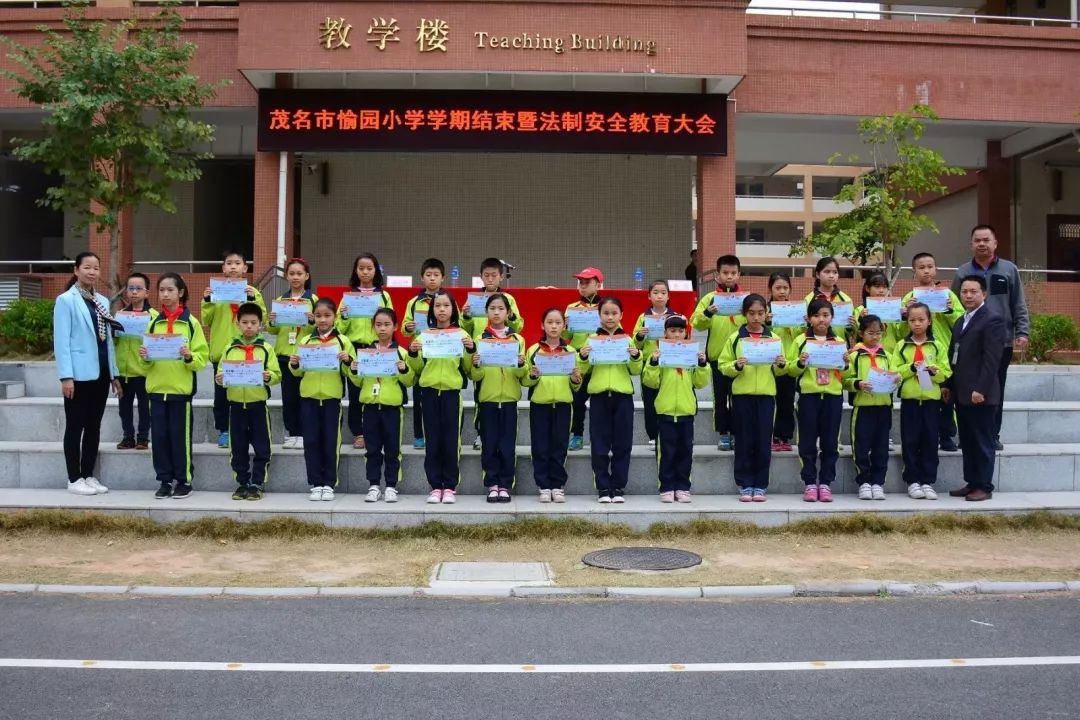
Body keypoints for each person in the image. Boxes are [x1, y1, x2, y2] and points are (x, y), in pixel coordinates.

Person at [951, 225, 1030, 451]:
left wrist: (1022, 331)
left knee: (995, 388)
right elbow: (955, 305)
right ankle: (967, 434)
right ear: (971, 244)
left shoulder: (1009, 269)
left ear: (995, 243)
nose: (982, 244)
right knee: (966, 388)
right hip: (967, 344)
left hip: (999, 342)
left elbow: (1018, 303)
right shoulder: (963, 272)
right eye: (977, 240)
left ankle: (992, 434)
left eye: (986, 240)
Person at [54, 251, 123, 496]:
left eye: (96, 267)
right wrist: (66, 376)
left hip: (101, 374)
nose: (92, 272)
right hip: (78, 376)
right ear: (76, 270)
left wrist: (114, 374)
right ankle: (74, 478)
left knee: (94, 426)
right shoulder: (66, 300)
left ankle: (88, 474)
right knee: (75, 426)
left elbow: (108, 343)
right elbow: (61, 341)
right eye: (87, 267)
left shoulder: (102, 301)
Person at [140, 273, 209, 499]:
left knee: (180, 438)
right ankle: (164, 480)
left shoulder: (191, 323)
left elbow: (202, 357)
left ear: (180, 293)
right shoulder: (153, 322)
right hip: (157, 390)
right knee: (159, 438)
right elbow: (145, 363)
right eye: (161, 290)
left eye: (170, 290)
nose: (165, 294)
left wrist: (189, 356)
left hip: (180, 392)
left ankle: (184, 480)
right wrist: (145, 356)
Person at [407, 290, 476, 504]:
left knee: (450, 440)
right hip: (428, 393)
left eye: (446, 305)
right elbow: (416, 369)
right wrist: (413, 353)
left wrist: (471, 350)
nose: (442, 310)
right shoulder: (424, 335)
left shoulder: (462, 335)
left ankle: (450, 486)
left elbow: (468, 368)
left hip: (451, 394)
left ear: (453, 309)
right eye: (438, 306)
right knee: (433, 439)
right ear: (432, 310)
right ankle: (435, 486)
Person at [718, 294, 787, 502]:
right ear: (744, 314)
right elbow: (723, 366)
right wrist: (736, 366)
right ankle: (745, 483)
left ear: (766, 314)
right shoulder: (735, 338)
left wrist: (782, 364)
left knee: (763, 441)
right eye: (751, 313)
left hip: (766, 396)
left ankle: (760, 484)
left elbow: (781, 370)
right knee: (744, 440)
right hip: (741, 396)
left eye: (760, 313)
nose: (756, 317)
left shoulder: (773, 338)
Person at [577, 297, 643, 503]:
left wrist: (635, 356)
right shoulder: (591, 340)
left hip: (622, 396)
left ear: (621, 315)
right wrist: (583, 356)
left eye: (614, 313)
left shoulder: (627, 339)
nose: (610, 317)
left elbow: (635, 370)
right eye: (606, 313)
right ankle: (603, 488)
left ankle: (618, 486)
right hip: (598, 397)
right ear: (599, 316)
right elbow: (584, 369)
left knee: (623, 443)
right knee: (599, 443)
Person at [290, 298, 358, 501]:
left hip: (331, 399)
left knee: (330, 441)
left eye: (327, 316)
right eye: (318, 316)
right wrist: (294, 364)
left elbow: (354, 373)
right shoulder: (305, 341)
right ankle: (315, 482)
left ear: (335, 318)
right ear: (313, 317)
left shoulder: (343, 341)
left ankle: (329, 483)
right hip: (309, 397)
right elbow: (297, 372)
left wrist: (348, 360)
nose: (323, 320)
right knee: (311, 441)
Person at [948, 275, 1007, 502]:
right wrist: (949, 386)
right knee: (969, 440)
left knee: (982, 442)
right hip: (962, 393)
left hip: (981, 394)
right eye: (964, 292)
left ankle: (984, 486)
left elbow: (992, 359)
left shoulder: (992, 319)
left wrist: (980, 388)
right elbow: (954, 357)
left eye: (973, 291)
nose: (968, 295)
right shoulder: (961, 320)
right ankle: (972, 482)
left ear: (984, 294)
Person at [215, 303, 280, 501]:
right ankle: (242, 482)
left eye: (253, 322)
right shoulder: (230, 348)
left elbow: (277, 374)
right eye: (245, 322)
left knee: (262, 446)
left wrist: (269, 376)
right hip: (235, 406)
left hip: (258, 405)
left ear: (260, 324)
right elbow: (220, 372)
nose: (249, 326)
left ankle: (257, 483)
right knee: (238, 447)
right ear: (237, 323)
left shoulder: (266, 348)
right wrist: (220, 378)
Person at [202, 249, 265, 449]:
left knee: (248, 393)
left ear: (245, 268)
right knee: (221, 395)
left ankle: (248, 430)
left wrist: (252, 300)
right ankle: (224, 430)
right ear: (223, 268)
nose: (233, 267)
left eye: (237, 263)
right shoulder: (215, 291)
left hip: (249, 350)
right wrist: (207, 301)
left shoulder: (253, 292)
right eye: (229, 263)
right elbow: (206, 320)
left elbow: (261, 317)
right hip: (222, 352)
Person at [643, 315, 709, 503]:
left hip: (686, 411)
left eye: (680, 331)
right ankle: (666, 486)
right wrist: (654, 363)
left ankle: (683, 486)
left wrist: (703, 364)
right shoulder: (658, 354)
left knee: (685, 452)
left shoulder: (691, 355)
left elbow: (700, 382)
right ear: (665, 333)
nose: (677, 335)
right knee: (666, 452)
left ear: (686, 333)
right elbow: (650, 381)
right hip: (665, 411)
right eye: (672, 331)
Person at [902, 252, 963, 451]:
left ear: (936, 269)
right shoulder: (909, 299)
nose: (926, 271)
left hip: (941, 352)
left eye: (930, 266)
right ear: (914, 272)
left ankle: (946, 434)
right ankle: (926, 435)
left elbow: (962, 322)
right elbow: (897, 331)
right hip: (917, 354)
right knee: (925, 393)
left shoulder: (947, 295)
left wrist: (950, 311)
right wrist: (903, 315)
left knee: (945, 393)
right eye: (921, 267)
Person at [788, 298, 847, 502]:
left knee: (831, 442)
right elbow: (790, 369)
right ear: (809, 318)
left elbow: (845, 374)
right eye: (816, 315)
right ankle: (810, 482)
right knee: (807, 441)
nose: (821, 320)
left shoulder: (838, 342)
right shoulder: (800, 341)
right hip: (809, 397)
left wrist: (846, 365)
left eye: (825, 315)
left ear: (832, 317)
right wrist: (800, 362)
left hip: (832, 396)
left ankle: (826, 482)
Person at [353, 307, 415, 503]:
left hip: (392, 408)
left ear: (395, 326)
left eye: (387, 324)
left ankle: (390, 485)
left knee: (392, 448)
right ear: (373, 327)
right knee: (372, 449)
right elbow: (357, 382)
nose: (382, 329)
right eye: (378, 324)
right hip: (370, 407)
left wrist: (404, 369)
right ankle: (373, 485)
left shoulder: (401, 352)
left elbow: (410, 381)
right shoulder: (365, 352)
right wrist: (354, 370)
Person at [469, 293, 526, 502]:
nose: (496, 312)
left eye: (500, 308)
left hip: (510, 399)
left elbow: (523, 376)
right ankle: (492, 484)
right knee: (490, 444)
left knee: (507, 445)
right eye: (492, 308)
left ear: (508, 312)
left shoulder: (518, 339)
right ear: (486, 312)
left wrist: (521, 364)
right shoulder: (480, 339)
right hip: (488, 399)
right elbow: (474, 375)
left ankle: (505, 484)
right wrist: (476, 364)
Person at [463, 258, 524, 451]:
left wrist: (512, 315)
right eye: (486, 275)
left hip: (505, 352)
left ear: (501, 277)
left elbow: (519, 326)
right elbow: (464, 328)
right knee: (481, 396)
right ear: (481, 276)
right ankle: (481, 433)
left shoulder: (509, 299)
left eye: (494, 275)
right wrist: (465, 316)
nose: (490, 279)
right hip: (482, 354)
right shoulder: (473, 299)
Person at [523, 308, 583, 503]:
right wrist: (532, 375)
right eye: (550, 322)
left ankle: (557, 485)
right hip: (540, 404)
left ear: (564, 326)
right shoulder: (533, 350)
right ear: (542, 325)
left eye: (558, 322)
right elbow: (526, 381)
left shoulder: (571, 351)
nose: (554, 326)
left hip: (564, 404)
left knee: (560, 445)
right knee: (540, 446)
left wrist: (575, 380)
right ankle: (543, 485)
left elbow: (577, 383)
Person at [892, 302, 951, 500]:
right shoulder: (901, 346)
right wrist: (910, 368)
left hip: (931, 402)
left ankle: (927, 481)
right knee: (910, 440)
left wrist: (935, 373)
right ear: (907, 322)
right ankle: (912, 480)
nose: (917, 324)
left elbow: (946, 373)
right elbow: (894, 372)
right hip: (910, 401)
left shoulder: (937, 345)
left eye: (921, 320)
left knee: (930, 440)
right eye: (912, 320)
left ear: (929, 321)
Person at [337, 252, 392, 450]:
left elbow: (390, 322)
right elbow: (339, 329)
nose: (365, 272)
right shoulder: (349, 297)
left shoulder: (383, 296)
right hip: (354, 349)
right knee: (355, 394)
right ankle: (358, 433)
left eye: (369, 268)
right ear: (355, 271)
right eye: (361, 268)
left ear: (376, 271)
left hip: (377, 349)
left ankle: (376, 432)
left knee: (376, 392)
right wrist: (343, 317)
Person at [690, 254, 744, 451]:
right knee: (720, 398)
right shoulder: (709, 299)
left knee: (738, 398)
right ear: (718, 275)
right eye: (725, 273)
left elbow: (757, 320)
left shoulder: (745, 299)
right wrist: (707, 313)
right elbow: (695, 322)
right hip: (717, 357)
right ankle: (723, 433)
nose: (729, 277)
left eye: (733, 273)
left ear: (739, 274)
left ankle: (737, 432)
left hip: (740, 359)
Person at [266, 257, 317, 449]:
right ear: (286, 276)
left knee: (305, 396)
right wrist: (271, 321)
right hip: (285, 354)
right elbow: (272, 331)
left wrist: (312, 320)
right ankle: (291, 433)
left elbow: (322, 328)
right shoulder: (280, 301)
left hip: (306, 355)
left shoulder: (314, 300)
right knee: (289, 397)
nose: (295, 277)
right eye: (292, 274)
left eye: (299, 274)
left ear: (307, 276)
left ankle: (303, 434)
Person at [845, 314, 897, 500]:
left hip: (883, 407)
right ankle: (864, 481)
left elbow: (895, 374)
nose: (875, 337)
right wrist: (858, 384)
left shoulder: (888, 356)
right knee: (861, 445)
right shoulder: (855, 356)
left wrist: (896, 378)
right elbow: (845, 379)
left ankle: (878, 482)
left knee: (881, 447)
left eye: (878, 333)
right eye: (870, 333)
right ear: (861, 333)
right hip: (863, 407)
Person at [401, 257, 445, 450]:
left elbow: (456, 325)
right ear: (422, 278)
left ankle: (440, 435)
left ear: (443, 278)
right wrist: (409, 328)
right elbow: (403, 328)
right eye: (428, 275)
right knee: (419, 398)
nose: (432, 279)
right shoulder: (414, 302)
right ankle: (419, 435)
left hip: (441, 353)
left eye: (436, 275)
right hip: (420, 353)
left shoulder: (447, 300)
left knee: (440, 399)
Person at [632, 280, 679, 448]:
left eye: (663, 292)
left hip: (671, 364)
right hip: (649, 365)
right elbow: (634, 346)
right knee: (650, 400)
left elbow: (684, 339)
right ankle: (652, 434)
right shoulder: (643, 318)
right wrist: (640, 336)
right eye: (656, 292)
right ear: (649, 296)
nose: (659, 295)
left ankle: (670, 432)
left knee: (669, 397)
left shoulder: (676, 317)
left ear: (668, 296)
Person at [114, 272, 156, 450]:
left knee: (145, 407)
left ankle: (143, 437)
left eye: (139, 288)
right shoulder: (120, 315)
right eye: (130, 288)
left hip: (144, 370)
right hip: (123, 370)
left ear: (147, 293)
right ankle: (128, 436)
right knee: (124, 408)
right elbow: (114, 342)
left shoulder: (154, 316)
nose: (134, 292)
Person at [564, 267, 603, 451]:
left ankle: (599, 437)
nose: (583, 285)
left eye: (587, 282)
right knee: (577, 400)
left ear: (598, 284)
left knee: (599, 401)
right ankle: (577, 435)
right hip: (580, 358)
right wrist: (564, 326)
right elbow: (566, 336)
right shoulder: (572, 308)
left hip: (601, 360)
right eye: (581, 282)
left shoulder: (606, 307)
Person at [766, 271, 797, 452]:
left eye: (785, 288)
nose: (782, 291)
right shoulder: (764, 310)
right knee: (771, 402)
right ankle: (770, 435)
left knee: (787, 401)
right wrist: (768, 324)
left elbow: (802, 337)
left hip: (788, 363)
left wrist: (797, 325)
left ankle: (784, 437)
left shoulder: (796, 310)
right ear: (770, 289)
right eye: (778, 288)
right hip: (768, 364)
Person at [803, 256, 853, 343]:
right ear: (818, 274)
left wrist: (852, 326)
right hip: (815, 347)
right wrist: (806, 323)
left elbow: (852, 331)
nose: (831, 276)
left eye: (835, 272)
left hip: (838, 347)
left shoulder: (846, 300)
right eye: (827, 272)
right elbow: (801, 330)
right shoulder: (808, 300)